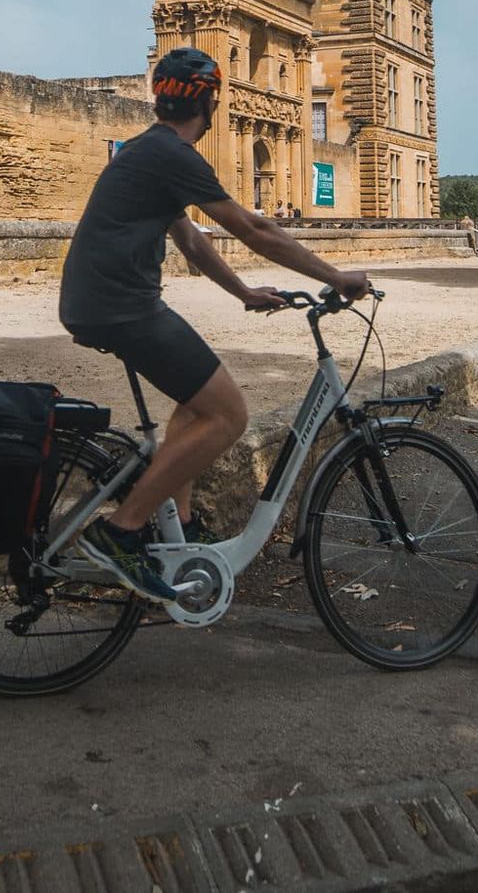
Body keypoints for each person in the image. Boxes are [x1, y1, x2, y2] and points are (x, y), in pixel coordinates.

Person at [59, 47, 370, 600]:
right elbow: (253, 227)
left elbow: (192, 240)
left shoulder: (144, 152)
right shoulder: (173, 155)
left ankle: (177, 527)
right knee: (229, 414)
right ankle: (121, 531)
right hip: (121, 306)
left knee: (196, 402)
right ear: (208, 102)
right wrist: (335, 274)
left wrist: (244, 291)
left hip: (103, 302)